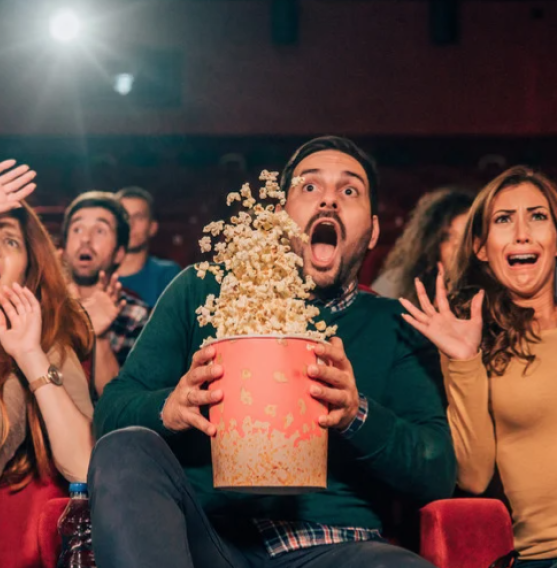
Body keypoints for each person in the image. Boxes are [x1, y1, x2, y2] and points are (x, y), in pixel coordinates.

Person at [89, 136, 456, 568]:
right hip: (208, 543)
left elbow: (436, 474)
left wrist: (357, 414)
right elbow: (111, 413)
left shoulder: (396, 325)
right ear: (280, 216)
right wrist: (169, 407)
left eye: (349, 190)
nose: (329, 202)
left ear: (374, 230)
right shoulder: (200, 289)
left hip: (337, 549)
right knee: (125, 448)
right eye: (309, 187)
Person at [400, 166, 557, 567]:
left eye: (538, 216)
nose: (522, 232)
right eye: (504, 220)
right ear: (481, 247)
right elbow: (472, 476)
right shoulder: (477, 342)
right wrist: (464, 360)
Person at [0, 160, 94, 567]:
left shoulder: (39, 345)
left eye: (11, 242)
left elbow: (84, 464)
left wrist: (29, 354)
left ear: (28, 271)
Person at [61, 191, 150, 397]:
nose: (85, 238)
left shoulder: (137, 317)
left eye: (100, 230)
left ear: (119, 253)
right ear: (64, 248)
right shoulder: (39, 310)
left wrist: (99, 336)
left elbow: (122, 409)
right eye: (77, 229)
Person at [373, 187, 474, 304]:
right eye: (447, 237)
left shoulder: (492, 292)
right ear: (430, 243)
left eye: (466, 237)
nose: (458, 247)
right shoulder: (396, 282)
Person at [115, 186, 181, 307]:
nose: (130, 224)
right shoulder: (96, 273)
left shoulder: (167, 275)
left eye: (138, 217)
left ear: (152, 227)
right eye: (124, 216)